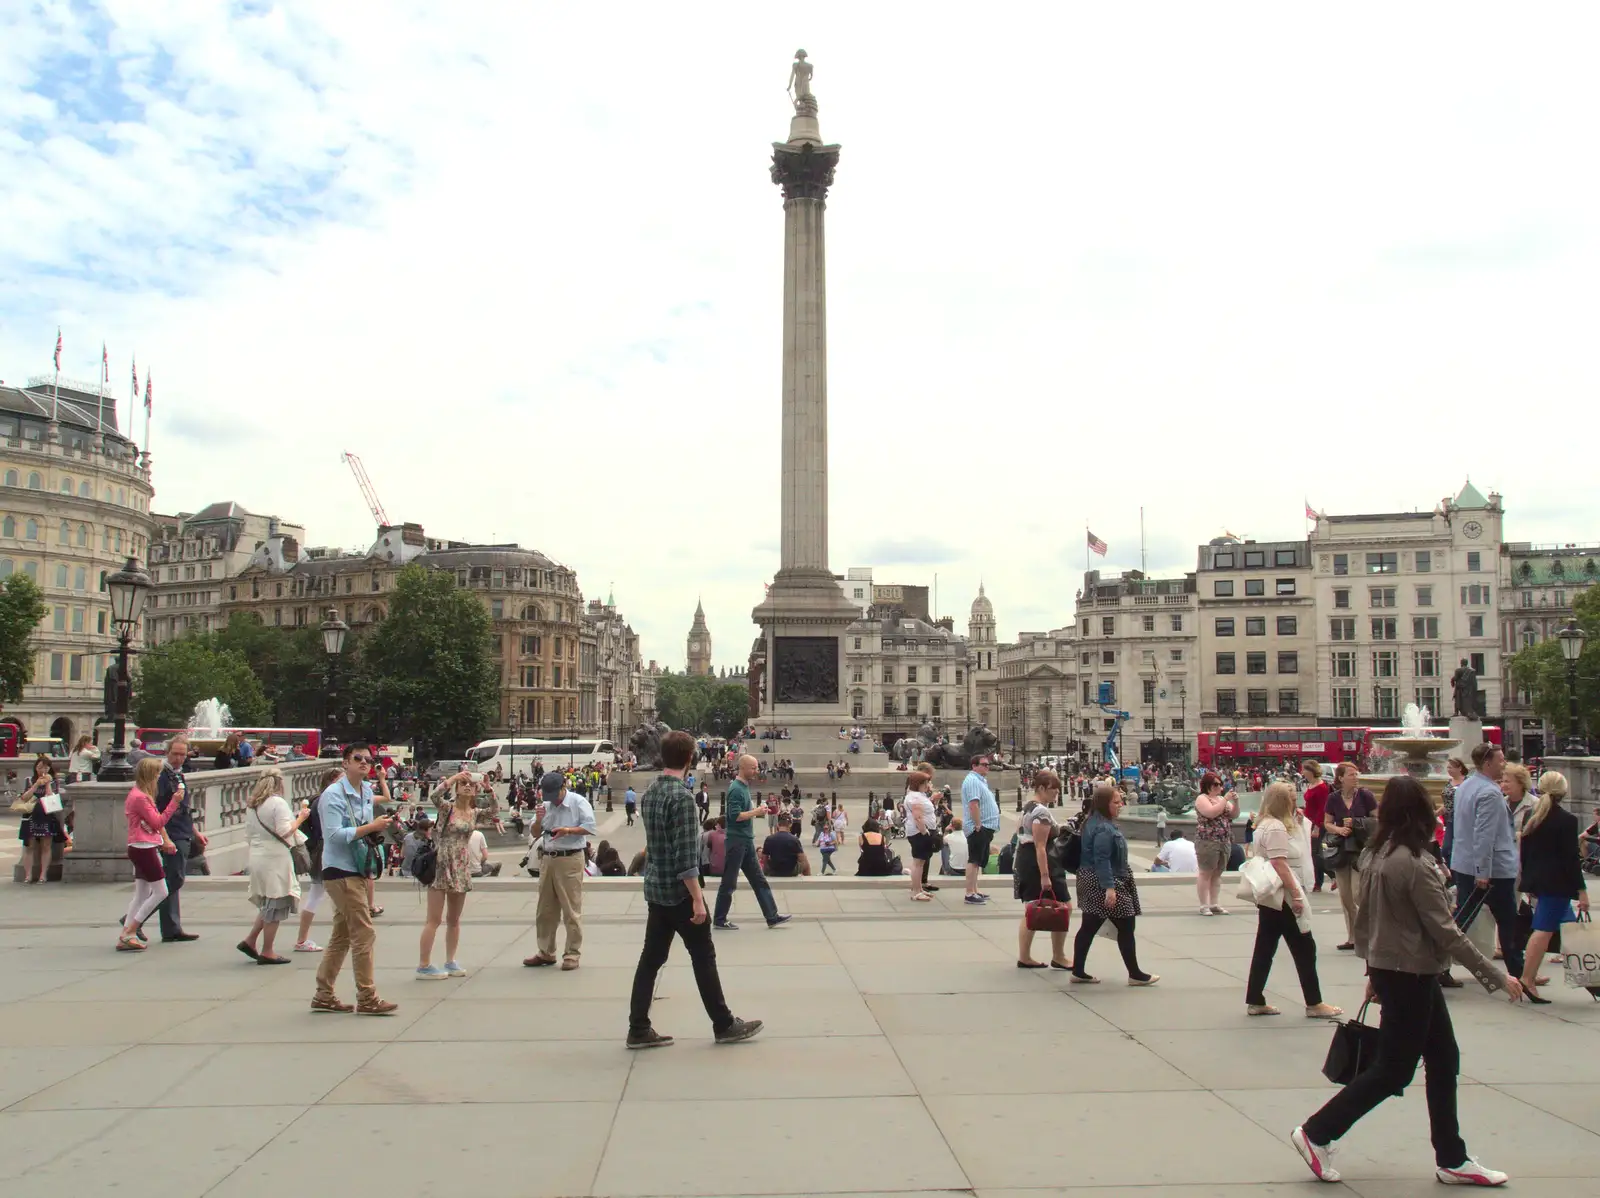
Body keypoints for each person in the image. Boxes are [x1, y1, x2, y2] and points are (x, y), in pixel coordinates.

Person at [1291, 776, 1522, 1187]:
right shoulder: (1414, 864)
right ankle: (1317, 1131)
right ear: (1419, 814)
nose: (1437, 816)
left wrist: (1373, 970)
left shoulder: (1378, 855)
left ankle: (1452, 1157)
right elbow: (1446, 931)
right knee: (1394, 1069)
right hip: (1411, 973)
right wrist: (1497, 976)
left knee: (1443, 1057)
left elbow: (1366, 920)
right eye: (1432, 809)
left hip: (1398, 969)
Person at [627, 730, 763, 1049]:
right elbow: (686, 857)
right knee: (703, 956)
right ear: (690, 758)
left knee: (651, 959)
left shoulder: (650, 791)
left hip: (656, 889)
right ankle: (724, 1023)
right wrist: (698, 899)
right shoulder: (682, 797)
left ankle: (638, 1027)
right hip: (679, 893)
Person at [311, 744, 397, 1016]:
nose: (364, 763)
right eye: (357, 758)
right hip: (340, 870)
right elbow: (333, 835)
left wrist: (373, 829)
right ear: (345, 762)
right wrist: (371, 827)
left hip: (356, 868)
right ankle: (367, 996)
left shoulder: (365, 791)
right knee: (364, 932)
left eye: (368, 759)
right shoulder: (332, 796)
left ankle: (323, 994)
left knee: (342, 934)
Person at [1245, 782, 1341, 1018]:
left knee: (1265, 948)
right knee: (1305, 948)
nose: (1295, 802)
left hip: (1271, 897)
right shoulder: (1277, 828)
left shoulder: (1263, 824)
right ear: (1282, 802)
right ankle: (1314, 1002)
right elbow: (1280, 863)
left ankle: (1255, 999)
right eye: (1291, 798)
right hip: (1284, 895)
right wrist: (1296, 895)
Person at [1445, 742, 1523, 990]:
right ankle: (1519, 974)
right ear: (1487, 763)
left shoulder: (1466, 786)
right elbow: (1484, 836)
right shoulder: (1489, 793)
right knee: (1508, 921)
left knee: (1461, 921)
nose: (1504, 764)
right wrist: (1483, 872)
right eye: (1500, 760)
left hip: (1465, 863)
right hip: (1492, 871)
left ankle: (1438, 967)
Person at [1071, 782, 1157, 986]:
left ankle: (1078, 970)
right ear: (1104, 804)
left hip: (1092, 878)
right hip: (1104, 880)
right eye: (1117, 802)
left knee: (1089, 926)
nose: (1121, 805)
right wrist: (1110, 888)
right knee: (1126, 924)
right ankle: (1135, 974)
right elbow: (1102, 859)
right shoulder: (1103, 828)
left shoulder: (1093, 821)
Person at [1516, 770, 1586, 1003]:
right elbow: (1571, 859)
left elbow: (1524, 852)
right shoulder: (1567, 820)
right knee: (1544, 930)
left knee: (1566, 926)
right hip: (1557, 883)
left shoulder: (1532, 816)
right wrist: (1582, 891)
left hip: (1539, 880)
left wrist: (1528, 879)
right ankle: (1527, 978)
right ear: (1563, 791)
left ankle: (1590, 977)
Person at [523, 769, 597, 969]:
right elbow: (535, 833)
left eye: (555, 795)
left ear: (564, 788)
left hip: (570, 858)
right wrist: (538, 820)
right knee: (545, 909)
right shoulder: (545, 805)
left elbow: (591, 826)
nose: (552, 800)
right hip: (548, 858)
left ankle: (572, 954)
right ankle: (546, 951)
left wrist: (568, 831)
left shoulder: (578, 802)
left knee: (571, 909)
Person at [238, 767, 308, 965]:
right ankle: (267, 950)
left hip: (257, 855)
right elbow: (285, 831)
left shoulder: (253, 805)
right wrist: (301, 818)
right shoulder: (278, 803)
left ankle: (251, 940)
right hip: (274, 857)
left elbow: (248, 834)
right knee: (276, 903)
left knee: (268, 901)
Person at [714, 755, 791, 930]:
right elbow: (734, 816)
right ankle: (719, 919)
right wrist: (756, 812)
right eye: (754, 768)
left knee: (759, 880)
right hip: (737, 841)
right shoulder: (736, 789)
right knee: (729, 882)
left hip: (745, 840)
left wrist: (757, 811)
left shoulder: (743, 787)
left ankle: (772, 916)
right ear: (743, 768)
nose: (757, 771)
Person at [117, 757, 185, 951]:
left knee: (142, 893)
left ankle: (126, 933)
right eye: (156, 774)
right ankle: (131, 930)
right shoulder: (141, 797)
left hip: (139, 845)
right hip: (144, 847)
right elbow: (157, 822)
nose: (158, 777)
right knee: (161, 891)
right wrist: (174, 802)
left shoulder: (137, 794)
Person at [417, 771, 479, 979]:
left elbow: (495, 811)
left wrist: (489, 789)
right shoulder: (447, 809)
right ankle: (424, 964)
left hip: (461, 864)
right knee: (433, 919)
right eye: (463, 783)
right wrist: (452, 779)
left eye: (471, 784)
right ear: (457, 788)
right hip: (442, 862)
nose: (467, 786)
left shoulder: (473, 812)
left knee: (454, 919)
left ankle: (450, 960)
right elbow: (434, 796)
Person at [1014, 768, 1071, 970]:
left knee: (1032, 907)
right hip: (1040, 862)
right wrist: (1045, 876)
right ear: (1040, 788)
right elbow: (1040, 846)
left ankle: (1025, 956)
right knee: (1064, 905)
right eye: (1052, 789)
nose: (1056, 793)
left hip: (1026, 859)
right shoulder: (1041, 811)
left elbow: (1021, 834)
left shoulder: (1029, 807)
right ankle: (1059, 955)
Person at [153, 736, 205, 942]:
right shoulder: (162, 776)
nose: (179, 758)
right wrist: (164, 837)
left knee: (174, 880)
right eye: (175, 754)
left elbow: (184, 809)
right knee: (173, 879)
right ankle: (135, 919)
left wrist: (195, 832)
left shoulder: (178, 775)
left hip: (182, 831)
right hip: (171, 833)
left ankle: (172, 927)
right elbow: (157, 810)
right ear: (167, 753)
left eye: (183, 754)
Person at [1324, 763, 1377, 951]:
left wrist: (1356, 822)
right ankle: (1353, 937)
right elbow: (1327, 823)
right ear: (1340, 778)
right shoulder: (1333, 798)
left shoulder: (1365, 795)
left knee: (1357, 893)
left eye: (1356, 774)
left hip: (1360, 849)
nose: (1356, 777)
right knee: (1345, 897)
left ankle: (1369, 934)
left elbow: (1377, 820)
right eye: (1352, 774)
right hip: (1341, 849)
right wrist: (1339, 829)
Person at [292, 766, 340, 953]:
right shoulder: (325, 801)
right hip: (326, 851)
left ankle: (303, 938)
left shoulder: (316, 800)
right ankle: (302, 939)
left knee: (321, 893)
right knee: (321, 893)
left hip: (320, 850)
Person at [1193, 771, 1238, 916]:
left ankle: (1214, 903)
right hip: (1207, 840)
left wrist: (1236, 802)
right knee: (1205, 872)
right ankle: (1203, 905)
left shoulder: (1221, 799)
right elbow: (1211, 813)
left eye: (1221, 784)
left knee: (1218, 873)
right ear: (1208, 786)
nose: (1219, 787)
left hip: (1224, 840)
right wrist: (1225, 800)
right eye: (1216, 784)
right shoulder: (1202, 798)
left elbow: (1234, 815)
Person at [16, 756, 63, 884]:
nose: (43, 770)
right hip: (30, 815)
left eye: (46, 767)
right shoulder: (29, 780)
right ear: (35, 767)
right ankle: (28, 875)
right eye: (40, 767)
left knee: (46, 845)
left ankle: (43, 875)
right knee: (29, 845)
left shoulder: (53, 782)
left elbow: (51, 797)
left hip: (46, 814)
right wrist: (36, 784)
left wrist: (47, 783)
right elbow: (24, 797)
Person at [962, 755, 1001, 905]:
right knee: (974, 860)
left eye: (988, 764)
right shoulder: (972, 781)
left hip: (985, 826)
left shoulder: (980, 781)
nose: (987, 767)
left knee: (978, 861)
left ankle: (975, 890)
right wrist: (978, 824)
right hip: (979, 827)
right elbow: (973, 804)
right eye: (984, 764)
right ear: (974, 766)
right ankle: (969, 893)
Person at [902, 770, 940, 900]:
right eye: (925, 782)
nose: (927, 784)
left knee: (921, 862)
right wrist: (925, 832)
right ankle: (916, 892)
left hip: (920, 832)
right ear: (918, 783)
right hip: (919, 833)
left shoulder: (917, 795)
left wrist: (932, 799)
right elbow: (917, 817)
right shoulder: (916, 797)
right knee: (918, 862)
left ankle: (919, 888)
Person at [1301, 761, 1330, 892]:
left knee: (1315, 853)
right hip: (1308, 821)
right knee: (1312, 852)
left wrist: (1317, 827)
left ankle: (1322, 880)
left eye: (1304, 770)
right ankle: (1318, 881)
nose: (1302, 772)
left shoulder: (1322, 787)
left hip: (1317, 824)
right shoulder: (1311, 784)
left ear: (1310, 771)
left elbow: (1322, 809)